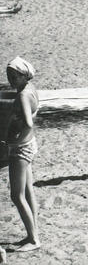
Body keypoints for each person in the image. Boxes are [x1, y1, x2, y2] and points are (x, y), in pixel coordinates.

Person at [3, 57, 40, 251]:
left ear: (23, 74)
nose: (10, 79)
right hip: (30, 144)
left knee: (17, 196)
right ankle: (33, 233)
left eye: (14, 76)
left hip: (21, 148)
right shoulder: (30, 89)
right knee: (28, 191)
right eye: (8, 75)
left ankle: (33, 240)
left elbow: (28, 123)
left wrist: (15, 140)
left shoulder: (23, 96)